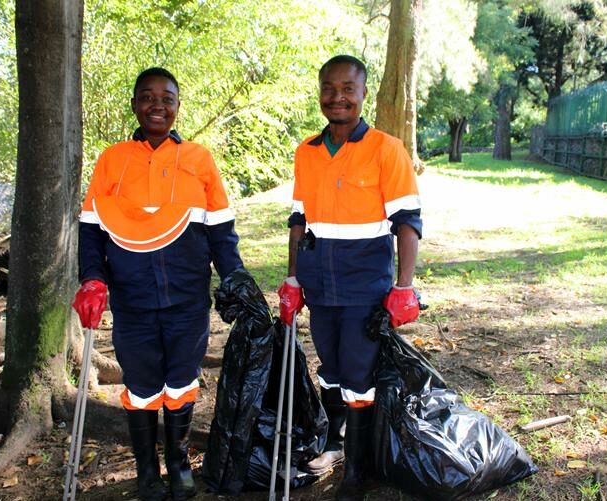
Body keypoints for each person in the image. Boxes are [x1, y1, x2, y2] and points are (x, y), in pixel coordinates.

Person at [72, 67, 246, 501]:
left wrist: (236, 277)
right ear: (134, 105)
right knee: (142, 385)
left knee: (182, 381)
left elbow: (221, 230)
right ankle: (147, 470)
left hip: (188, 297)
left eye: (166, 98)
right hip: (131, 299)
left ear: (177, 107)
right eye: (147, 97)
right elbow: (91, 229)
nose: (157, 105)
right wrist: (92, 280)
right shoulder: (113, 159)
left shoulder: (199, 159)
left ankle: (179, 461)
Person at [277, 55, 422, 501]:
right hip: (320, 286)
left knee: (359, 374)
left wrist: (404, 286)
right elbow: (299, 220)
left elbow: (408, 221)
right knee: (332, 369)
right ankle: (335, 445)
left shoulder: (386, 149)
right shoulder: (308, 151)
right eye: (328, 88)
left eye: (347, 88)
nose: (337, 97)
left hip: (365, 285)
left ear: (362, 93)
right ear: (320, 92)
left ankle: (358, 470)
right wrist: (293, 279)